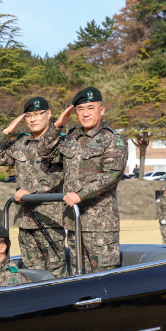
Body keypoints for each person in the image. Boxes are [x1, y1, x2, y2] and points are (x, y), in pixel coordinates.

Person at [38, 87, 127, 274]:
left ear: (101, 110)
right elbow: (43, 152)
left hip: (100, 226)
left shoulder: (112, 139)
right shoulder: (71, 138)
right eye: (80, 109)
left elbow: (112, 174)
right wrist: (57, 126)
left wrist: (80, 195)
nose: (85, 114)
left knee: (104, 278)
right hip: (73, 223)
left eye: (90, 108)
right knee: (80, 277)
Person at [0, 96, 66, 276]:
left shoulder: (60, 142)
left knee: (55, 271)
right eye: (28, 115)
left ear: (49, 114)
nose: (33, 119)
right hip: (25, 218)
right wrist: (6, 132)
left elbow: (60, 174)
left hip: (50, 218)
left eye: (38, 114)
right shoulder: (21, 143)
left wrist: (31, 193)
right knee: (31, 272)